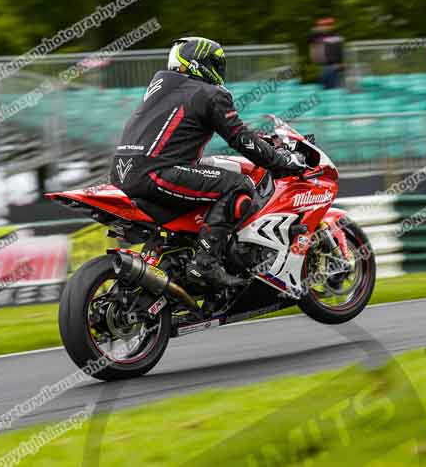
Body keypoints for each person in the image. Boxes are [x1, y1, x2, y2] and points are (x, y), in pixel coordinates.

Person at [110, 37, 307, 289]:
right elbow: (239, 138)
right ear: (199, 63)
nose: (219, 70)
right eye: (215, 63)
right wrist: (280, 162)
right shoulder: (209, 93)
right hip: (157, 172)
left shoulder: (161, 89)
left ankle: (179, 260)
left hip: (121, 173)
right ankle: (204, 264)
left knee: (208, 178)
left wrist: (259, 141)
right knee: (239, 184)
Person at [308, 18, 345, 89]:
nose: (325, 27)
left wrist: (341, 64)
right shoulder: (317, 37)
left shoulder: (336, 37)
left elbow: (341, 52)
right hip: (323, 67)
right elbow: (312, 35)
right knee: (324, 87)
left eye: (328, 25)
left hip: (335, 67)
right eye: (322, 25)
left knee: (335, 87)